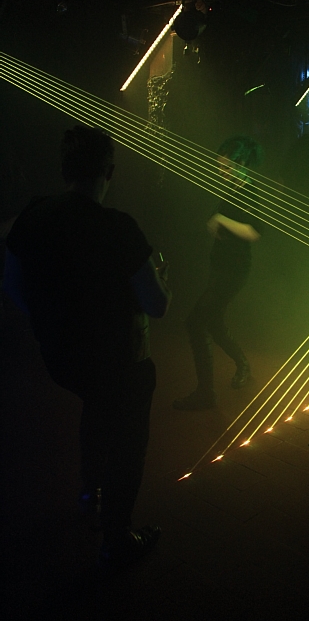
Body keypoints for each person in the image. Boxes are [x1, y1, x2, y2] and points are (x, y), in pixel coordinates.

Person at [3, 125, 172, 570]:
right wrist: (162, 279)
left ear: (65, 169)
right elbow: (157, 306)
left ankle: (88, 493)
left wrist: (48, 321)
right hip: (114, 363)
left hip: (61, 358)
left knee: (97, 403)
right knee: (131, 424)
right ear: (109, 171)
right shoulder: (119, 228)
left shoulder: (34, 215)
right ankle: (116, 539)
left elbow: (12, 283)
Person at [173, 135, 263, 411]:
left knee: (195, 322)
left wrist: (221, 220)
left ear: (241, 164)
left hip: (235, 270)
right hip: (221, 267)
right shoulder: (233, 189)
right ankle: (242, 365)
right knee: (213, 322)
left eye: (226, 167)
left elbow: (254, 232)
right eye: (220, 167)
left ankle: (206, 393)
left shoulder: (251, 192)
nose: (221, 172)